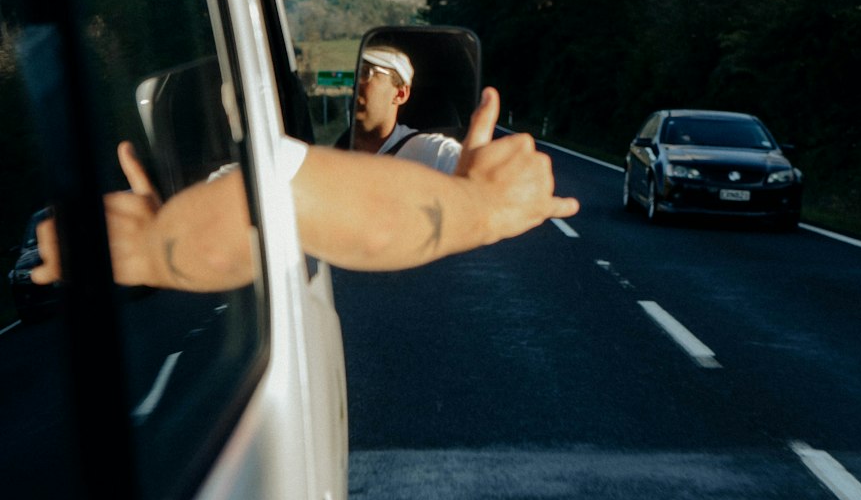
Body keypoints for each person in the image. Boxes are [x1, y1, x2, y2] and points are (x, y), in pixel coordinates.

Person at [31, 85, 578, 292]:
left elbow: (258, 204)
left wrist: (150, 248)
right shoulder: (251, 171)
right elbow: (288, 203)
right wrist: (481, 207)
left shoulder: (425, 146)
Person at [351, 46, 461, 171]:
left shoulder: (432, 153)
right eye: (351, 74)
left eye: (365, 72)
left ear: (400, 94)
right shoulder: (336, 147)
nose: (353, 83)